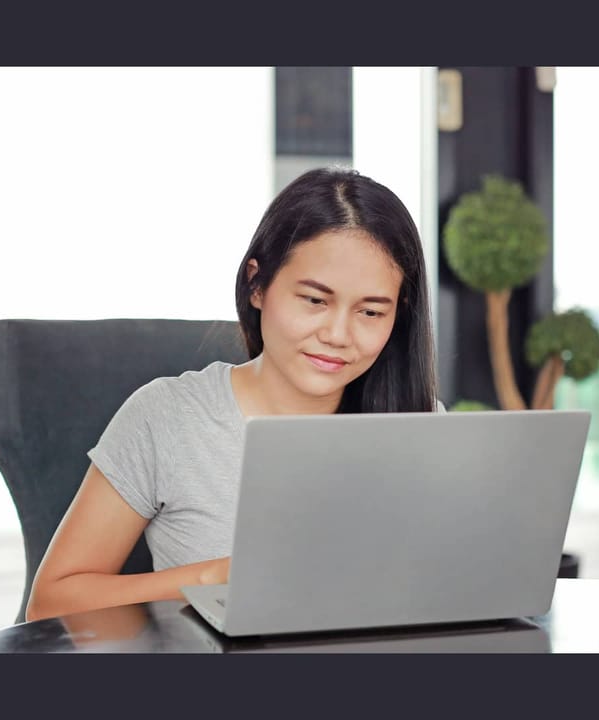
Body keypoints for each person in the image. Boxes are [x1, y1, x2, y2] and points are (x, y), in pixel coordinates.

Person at [25, 167, 441, 622]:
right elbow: (51, 602)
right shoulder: (167, 418)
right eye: (315, 301)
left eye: (370, 311)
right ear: (257, 284)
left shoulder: (419, 422)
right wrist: (214, 579)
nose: (339, 334)